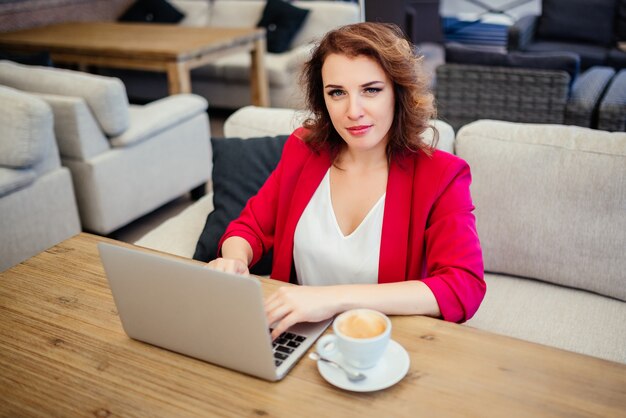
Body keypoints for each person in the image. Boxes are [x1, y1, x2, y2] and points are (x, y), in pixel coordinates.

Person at [208, 22, 485, 339]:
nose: (353, 111)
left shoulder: (441, 175)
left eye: (371, 90)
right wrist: (233, 262)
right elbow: (249, 228)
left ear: (399, 92)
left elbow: (463, 287)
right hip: (295, 334)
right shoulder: (304, 150)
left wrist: (329, 299)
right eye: (337, 92)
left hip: (384, 344)